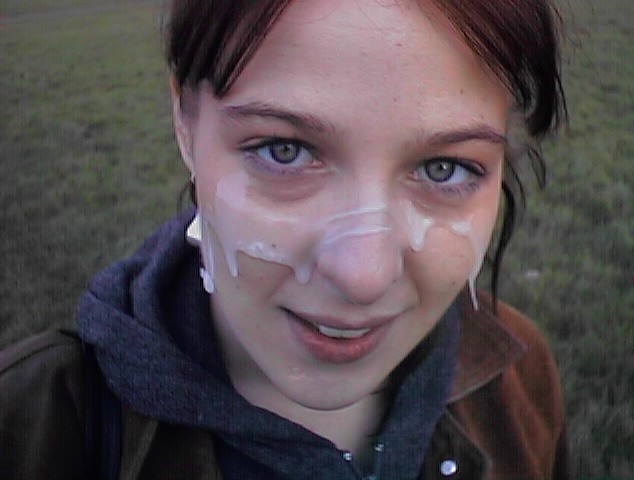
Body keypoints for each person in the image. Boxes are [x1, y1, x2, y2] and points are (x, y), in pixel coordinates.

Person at [0, 0, 570, 478]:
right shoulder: (30, 428)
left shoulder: (521, 377)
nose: (363, 276)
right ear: (185, 122)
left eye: (445, 169)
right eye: (284, 151)